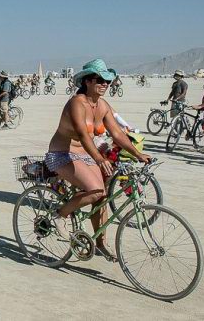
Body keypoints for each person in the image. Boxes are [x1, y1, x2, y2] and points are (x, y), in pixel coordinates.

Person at [45, 59, 150, 260]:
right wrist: (100, 159)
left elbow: (117, 133)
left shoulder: (102, 105)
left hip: (86, 154)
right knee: (95, 190)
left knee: (102, 197)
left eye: (107, 81)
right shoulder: (77, 103)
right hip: (62, 154)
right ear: (87, 81)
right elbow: (83, 135)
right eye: (100, 80)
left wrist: (137, 154)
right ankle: (60, 215)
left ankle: (100, 243)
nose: (105, 84)